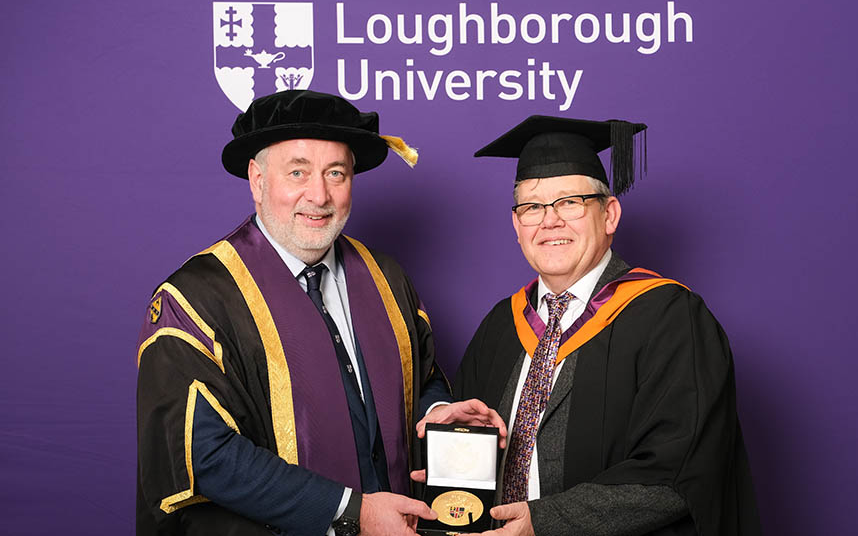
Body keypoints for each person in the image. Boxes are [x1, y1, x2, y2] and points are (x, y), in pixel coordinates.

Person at [135, 90, 503, 536]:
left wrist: (439, 413)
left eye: (336, 173)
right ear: (257, 179)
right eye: (297, 172)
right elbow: (204, 455)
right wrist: (351, 512)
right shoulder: (196, 297)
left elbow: (421, 377)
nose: (320, 195)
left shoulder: (385, 278)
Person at [446, 116, 762, 535]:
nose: (549, 221)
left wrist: (542, 524)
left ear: (609, 214)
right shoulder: (502, 325)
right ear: (516, 226)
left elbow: (680, 468)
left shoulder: (670, 317)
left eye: (570, 202)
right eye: (532, 207)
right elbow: (467, 444)